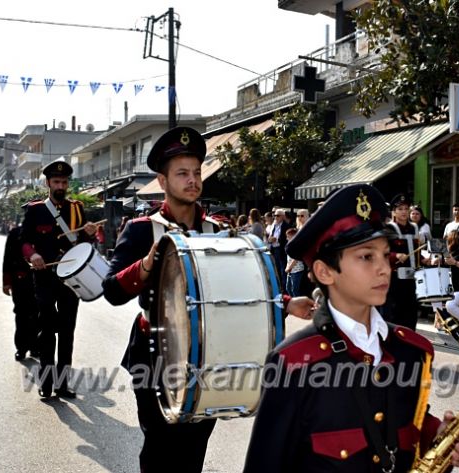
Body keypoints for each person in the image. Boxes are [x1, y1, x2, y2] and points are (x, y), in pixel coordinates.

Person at [102, 127, 313, 472]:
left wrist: (285, 301)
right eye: (182, 173)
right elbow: (110, 290)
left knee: (193, 450)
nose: (192, 180)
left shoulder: (219, 230)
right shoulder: (142, 230)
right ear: (163, 180)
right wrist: (144, 265)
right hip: (156, 355)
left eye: (197, 172)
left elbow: (243, 286)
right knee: (159, 450)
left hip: (211, 353)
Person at [243, 183, 459, 472]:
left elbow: (409, 428)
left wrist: (439, 439)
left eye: (385, 255)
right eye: (367, 257)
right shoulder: (294, 363)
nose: (383, 268)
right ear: (324, 271)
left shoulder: (411, 351)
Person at [20, 159, 97, 398]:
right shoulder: (35, 210)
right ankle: (45, 383)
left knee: (67, 332)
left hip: (70, 280)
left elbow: (83, 246)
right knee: (47, 330)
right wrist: (32, 254)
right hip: (44, 278)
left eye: (64, 182)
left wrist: (89, 235)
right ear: (48, 183)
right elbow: (23, 241)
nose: (60, 185)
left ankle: (62, 384)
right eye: (56, 182)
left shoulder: (76, 209)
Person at [2, 204, 40, 361]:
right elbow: (8, 258)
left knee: (39, 315)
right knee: (22, 315)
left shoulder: (47, 234)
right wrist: (6, 282)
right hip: (20, 280)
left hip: (41, 281)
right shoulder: (15, 233)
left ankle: (35, 347)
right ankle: (21, 348)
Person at [382, 193, 419, 330]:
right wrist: (396, 255)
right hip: (395, 278)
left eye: (406, 208)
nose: (404, 212)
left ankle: (410, 340)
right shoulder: (388, 229)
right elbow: (381, 253)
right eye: (400, 209)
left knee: (411, 311)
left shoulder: (414, 228)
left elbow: (417, 251)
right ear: (394, 212)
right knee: (394, 313)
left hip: (412, 278)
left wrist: (426, 260)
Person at [267, 208, 291, 290]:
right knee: (275, 270)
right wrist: (270, 239)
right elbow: (270, 236)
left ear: (283, 216)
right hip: (274, 250)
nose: (275, 217)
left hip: (281, 251)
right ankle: (278, 287)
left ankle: (284, 289)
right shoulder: (274, 225)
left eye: (277, 216)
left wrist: (276, 239)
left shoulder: (286, 226)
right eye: (274, 215)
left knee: (282, 271)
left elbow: (286, 239)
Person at [284, 227, 305, 296]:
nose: (287, 238)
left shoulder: (297, 245)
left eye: (288, 237)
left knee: (294, 289)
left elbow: (295, 259)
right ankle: (292, 301)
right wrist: (287, 267)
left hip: (297, 270)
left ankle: (297, 303)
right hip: (291, 270)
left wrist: (289, 268)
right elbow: (288, 259)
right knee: (288, 288)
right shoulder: (289, 245)